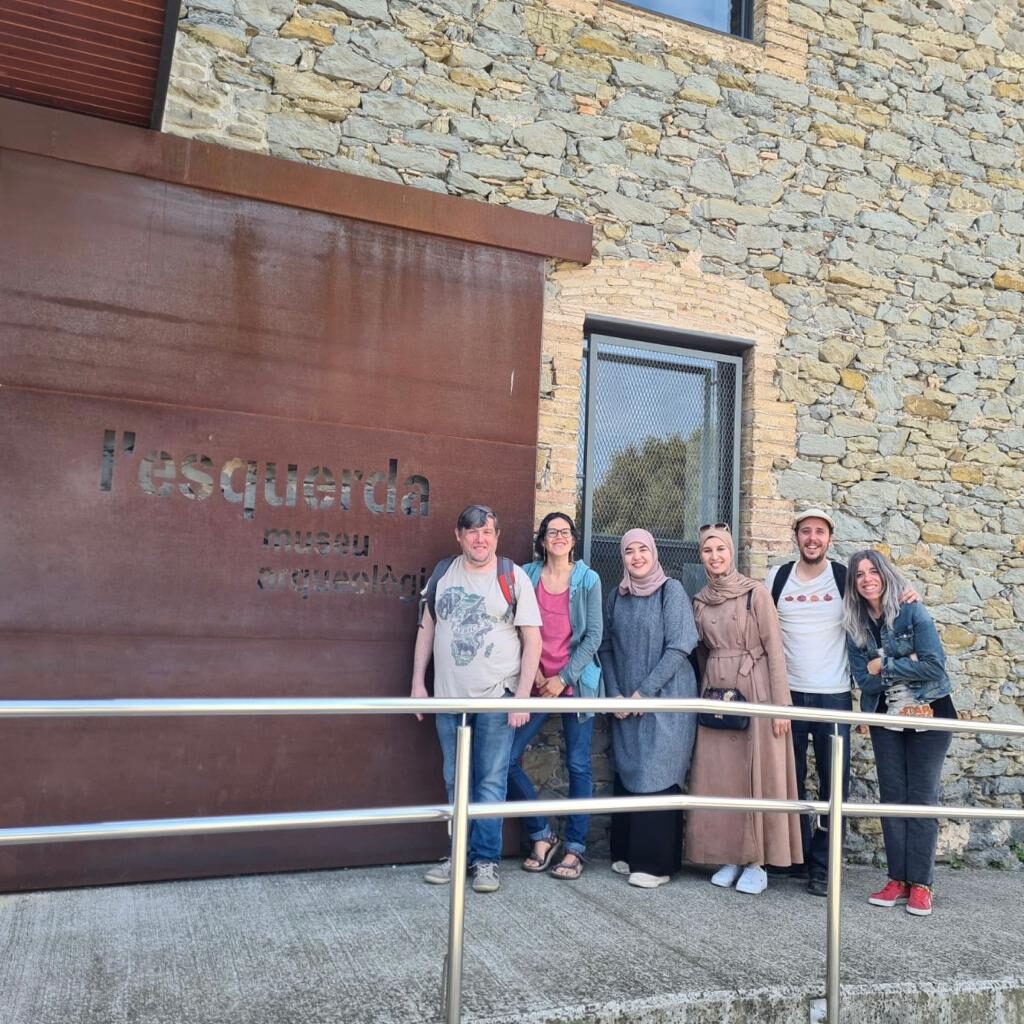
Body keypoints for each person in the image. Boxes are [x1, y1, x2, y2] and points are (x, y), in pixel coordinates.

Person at [410, 504, 542, 894]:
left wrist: (522, 697)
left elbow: (533, 640)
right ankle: (458, 855)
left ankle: (486, 861)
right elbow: (426, 630)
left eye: (487, 531)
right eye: (472, 531)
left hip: (497, 698)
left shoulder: (513, 577)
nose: (479, 539)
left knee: (490, 782)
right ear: (459, 536)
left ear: (496, 537)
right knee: (455, 780)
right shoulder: (443, 574)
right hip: (448, 700)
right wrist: (418, 684)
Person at [686, 523, 802, 894]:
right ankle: (730, 855)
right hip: (717, 690)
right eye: (708, 550)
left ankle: (757, 861)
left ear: (731, 551)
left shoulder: (755, 593)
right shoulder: (700, 600)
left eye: (720, 549)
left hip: (754, 689)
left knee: (758, 775)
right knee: (721, 777)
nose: (715, 556)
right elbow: (701, 652)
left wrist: (781, 706)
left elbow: (775, 650)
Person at [844, 548, 955, 918]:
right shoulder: (855, 628)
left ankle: (921, 884)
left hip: (930, 716)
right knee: (892, 799)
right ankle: (898, 879)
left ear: (885, 574)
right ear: (853, 584)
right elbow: (864, 682)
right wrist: (907, 662)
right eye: (859, 575)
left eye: (872, 571)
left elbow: (935, 667)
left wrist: (885, 665)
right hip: (886, 718)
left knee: (921, 799)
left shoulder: (911, 610)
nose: (867, 579)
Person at [598, 528, 699, 889]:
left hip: (666, 698)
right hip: (627, 700)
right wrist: (615, 695)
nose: (637, 557)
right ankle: (627, 853)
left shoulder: (671, 591)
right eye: (630, 551)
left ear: (654, 554)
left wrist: (645, 694)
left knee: (658, 772)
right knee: (630, 769)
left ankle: (656, 865)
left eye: (643, 550)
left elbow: (681, 645)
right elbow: (606, 647)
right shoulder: (616, 596)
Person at [507, 512, 602, 880]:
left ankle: (575, 848)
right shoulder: (526, 575)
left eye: (565, 532)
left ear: (573, 539)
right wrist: (537, 674)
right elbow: (515, 627)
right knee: (507, 758)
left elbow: (593, 636)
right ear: (543, 540)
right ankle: (541, 833)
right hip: (534, 683)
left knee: (579, 764)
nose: (558, 537)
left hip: (575, 685)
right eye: (551, 532)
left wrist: (562, 678)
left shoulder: (588, 579)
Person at [766, 507, 851, 897]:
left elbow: (880, 601)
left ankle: (824, 865)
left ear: (829, 538)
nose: (812, 538)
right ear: (796, 536)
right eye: (805, 531)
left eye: (819, 531)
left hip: (834, 696)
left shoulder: (844, 578)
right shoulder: (778, 577)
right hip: (790, 697)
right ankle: (795, 856)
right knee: (791, 779)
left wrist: (908, 593)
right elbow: (759, 626)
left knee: (835, 787)